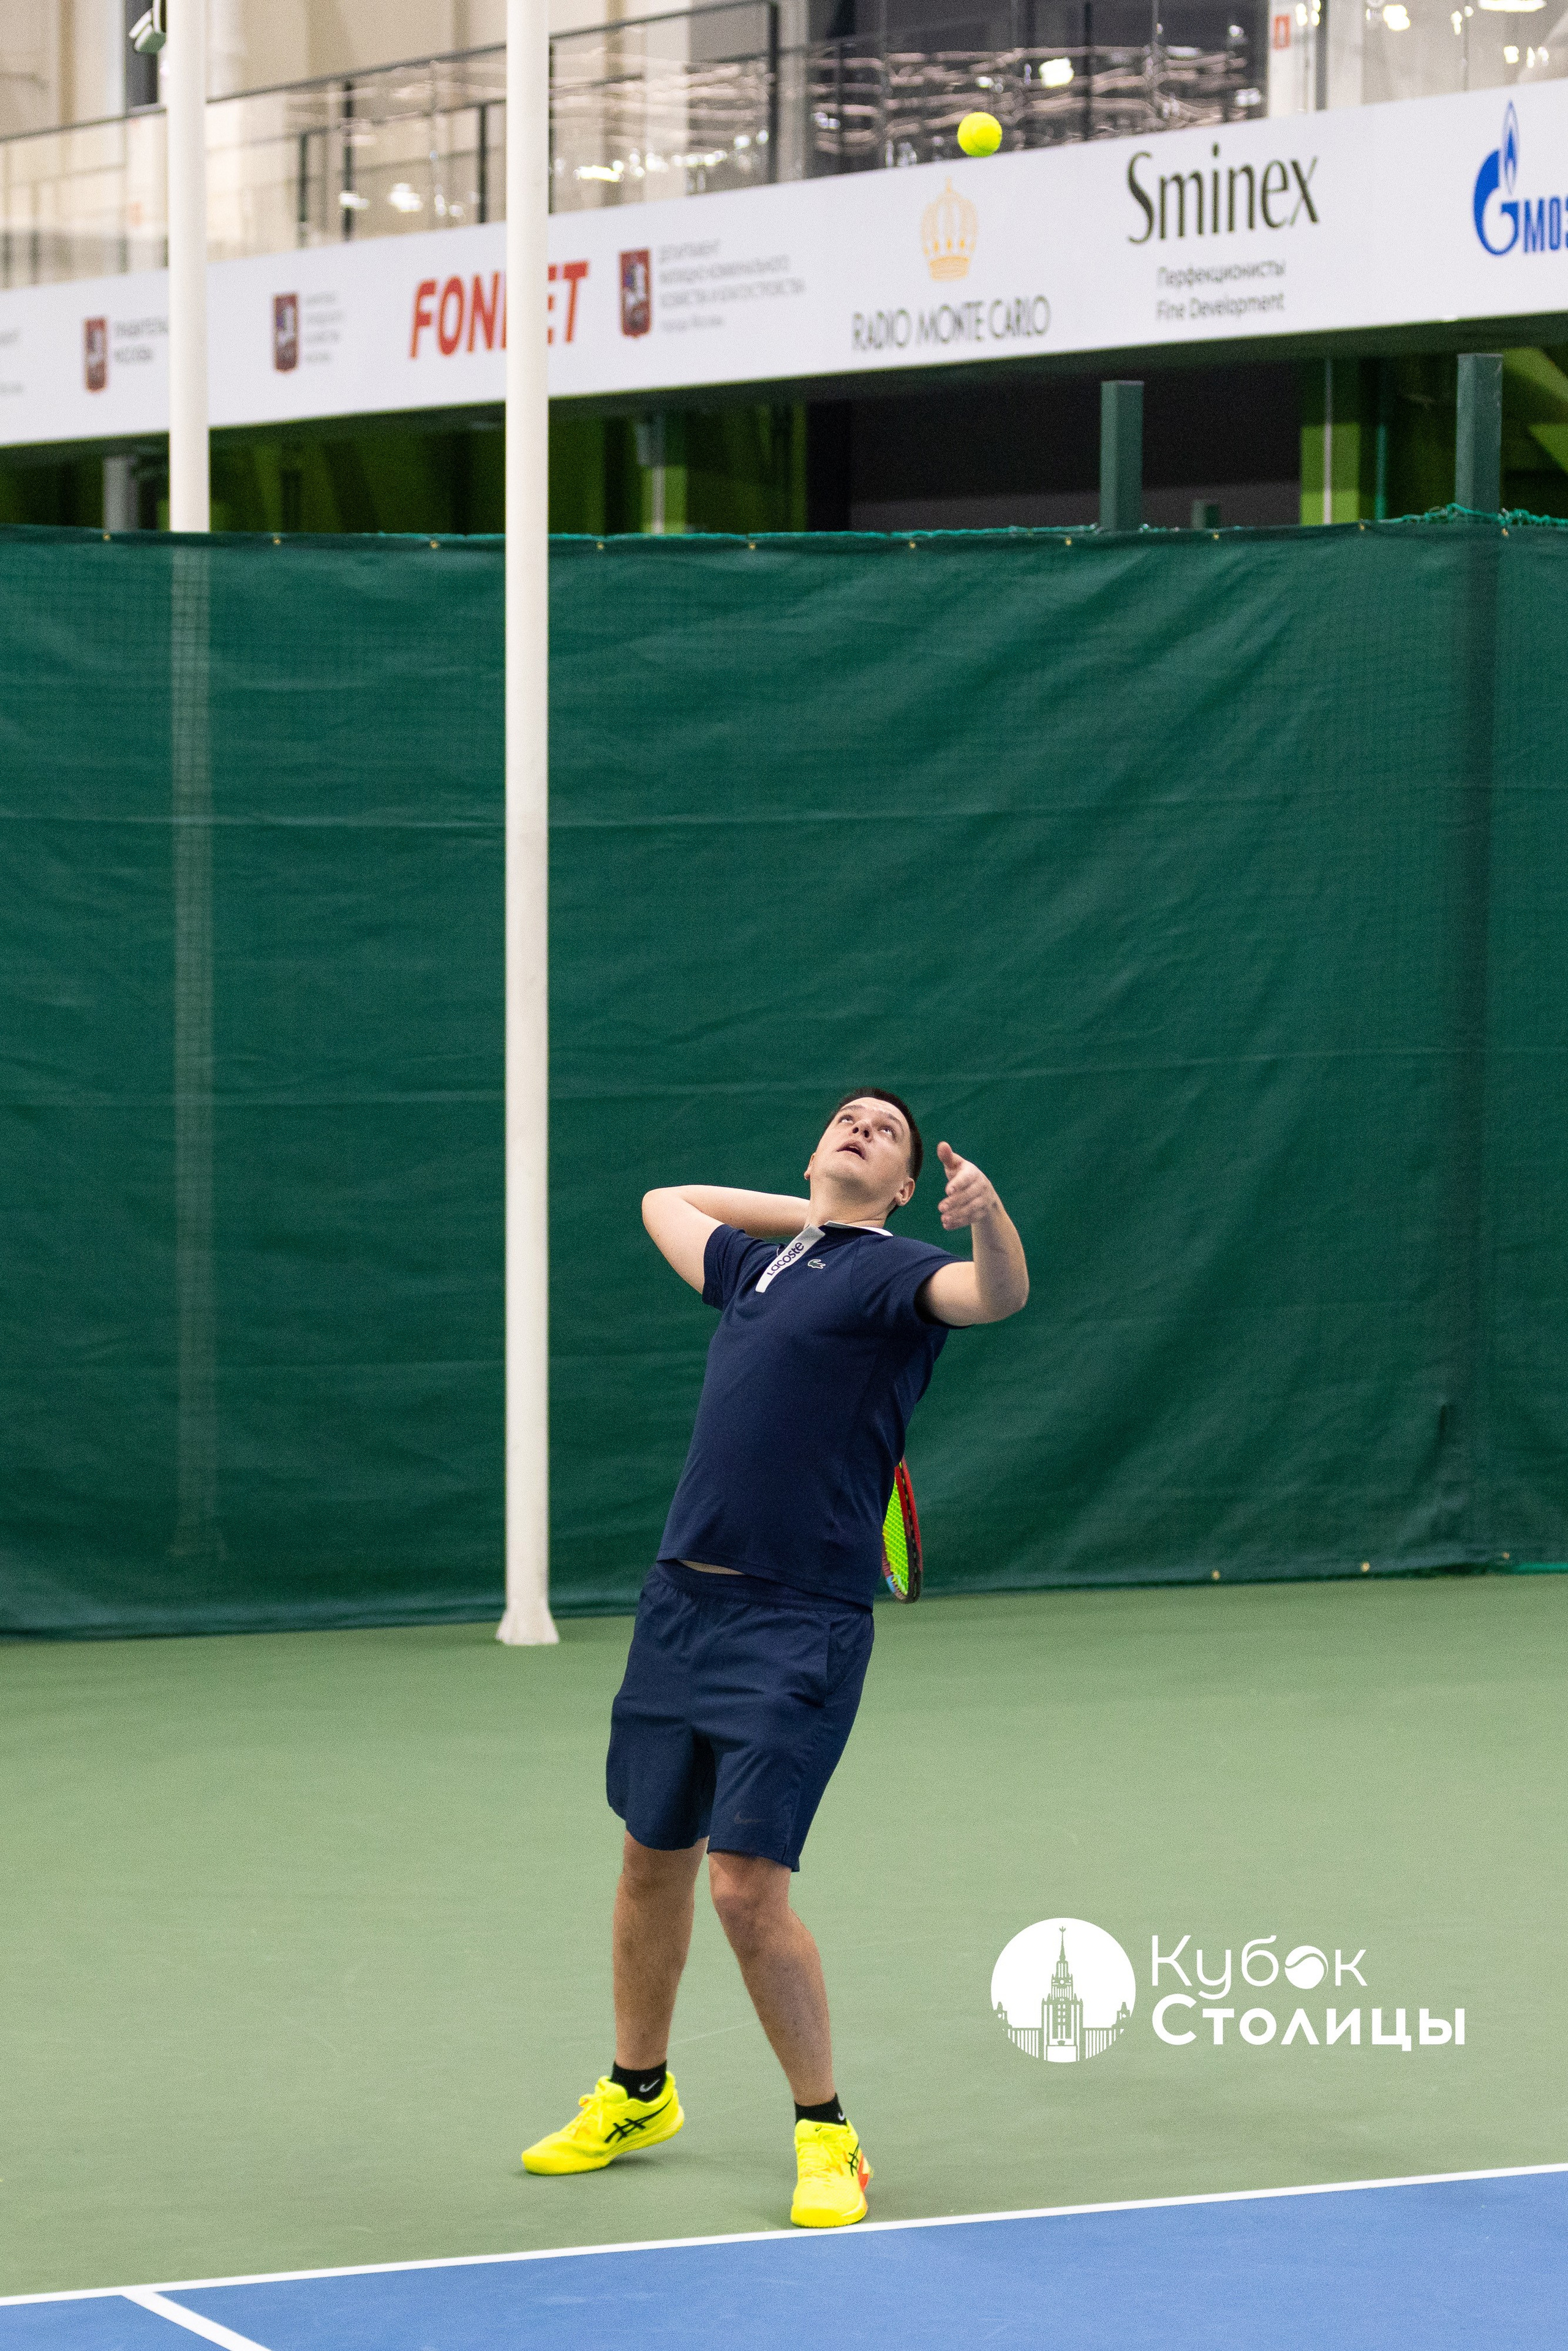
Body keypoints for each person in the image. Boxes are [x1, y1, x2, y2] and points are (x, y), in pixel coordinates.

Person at [522, 1089, 1029, 2225]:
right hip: (680, 1607)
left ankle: (827, 2131)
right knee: (652, 1856)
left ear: (906, 1186)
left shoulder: (898, 1277)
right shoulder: (763, 1271)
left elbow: (995, 1292)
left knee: (747, 1889)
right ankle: (639, 2090)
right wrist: (810, 1213)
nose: (861, 1126)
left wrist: (978, 1218)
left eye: (884, 1130)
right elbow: (667, 1199)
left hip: (797, 1624)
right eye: (845, 1118)